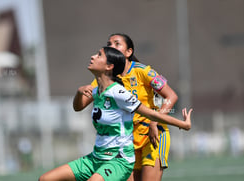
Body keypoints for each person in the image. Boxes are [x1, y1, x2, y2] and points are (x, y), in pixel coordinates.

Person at [39, 46, 192, 181]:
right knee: (45, 178)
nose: (92, 56)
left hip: (118, 161)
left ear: (109, 66)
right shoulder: (96, 90)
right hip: (96, 158)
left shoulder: (119, 92)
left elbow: (152, 114)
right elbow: (77, 107)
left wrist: (183, 125)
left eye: (99, 55)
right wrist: (79, 92)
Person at [74, 33, 178, 181]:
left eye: (117, 44)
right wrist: (80, 92)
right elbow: (80, 105)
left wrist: (155, 122)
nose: (112, 47)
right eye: (109, 44)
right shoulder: (104, 78)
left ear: (129, 52)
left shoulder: (143, 71)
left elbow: (171, 96)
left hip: (153, 136)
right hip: (127, 142)